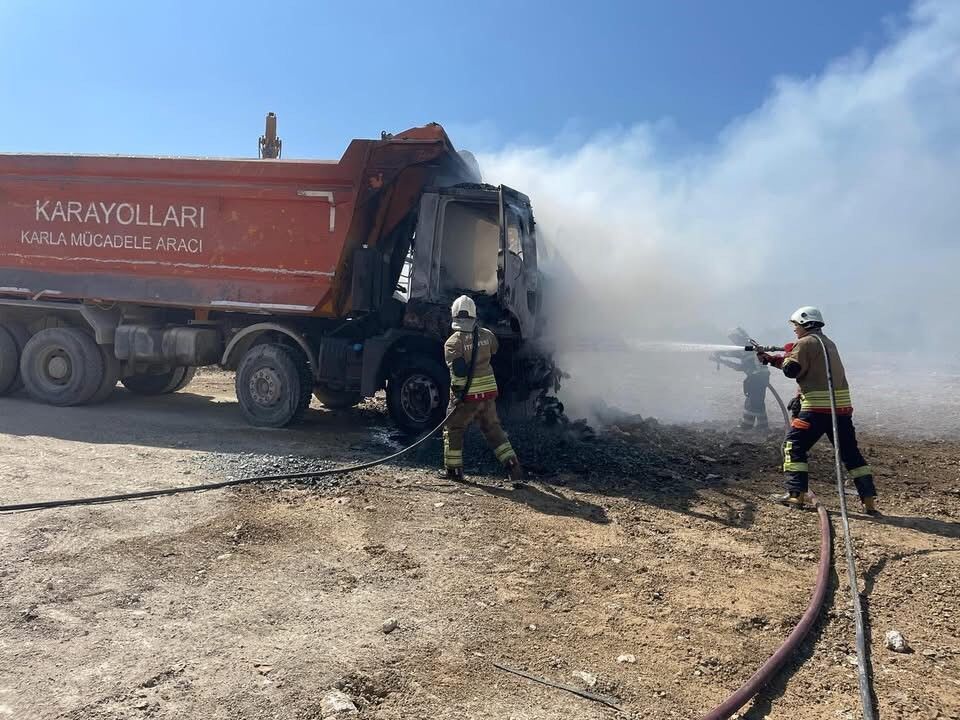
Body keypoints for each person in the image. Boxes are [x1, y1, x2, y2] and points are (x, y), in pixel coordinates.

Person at [757, 306, 879, 514]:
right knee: (851, 454)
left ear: (805, 323)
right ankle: (869, 501)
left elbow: (791, 370)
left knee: (793, 446)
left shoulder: (804, 343)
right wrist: (772, 359)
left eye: (795, 325)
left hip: (816, 411)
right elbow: (811, 369)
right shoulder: (828, 343)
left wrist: (788, 354)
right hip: (840, 411)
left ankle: (796, 496)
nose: (794, 329)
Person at [439, 295, 525, 485]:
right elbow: (495, 349)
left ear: (454, 316)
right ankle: (513, 467)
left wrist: (458, 399)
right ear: (473, 315)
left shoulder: (453, 343)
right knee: (493, 429)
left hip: (467, 398)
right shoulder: (487, 335)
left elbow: (459, 373)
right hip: (488, 395)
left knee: (453, 428)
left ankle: (454, 471)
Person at [712, 327, 770, 431]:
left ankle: (747, 426)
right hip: (759, 377)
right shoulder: (750, 345)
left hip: (757, 378)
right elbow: (735, 354)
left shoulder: (748, 347)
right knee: (758, 401)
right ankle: (762, 425)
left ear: (740, 337)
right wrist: (721, 355)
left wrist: (721, 358)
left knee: (752, 402)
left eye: (735, 338)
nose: (734, 341)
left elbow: (739, 366)